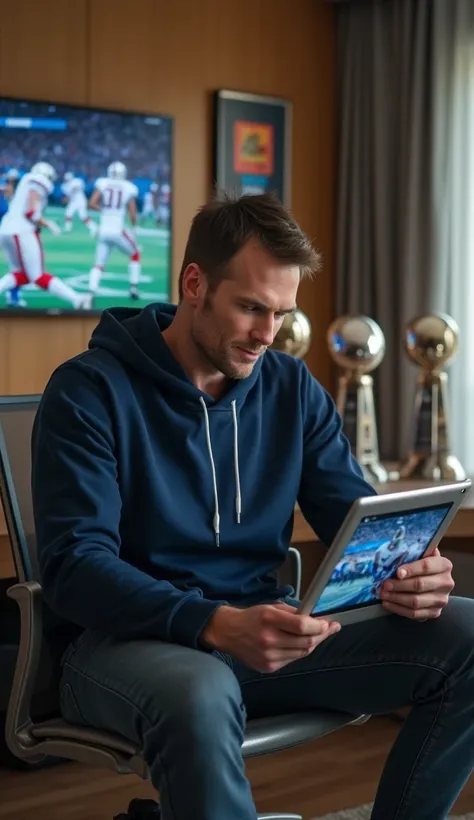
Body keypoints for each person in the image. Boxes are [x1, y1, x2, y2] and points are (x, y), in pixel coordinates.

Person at [32, 192, 473, 820]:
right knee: (200, 689)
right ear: (194, 284)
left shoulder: (291, 389)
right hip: (121, 646)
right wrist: (211, 622)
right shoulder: (88, 391)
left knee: (469, 634)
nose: (269, 335)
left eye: (282, 313)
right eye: (250, 309)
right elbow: (74, 566)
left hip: (263, 636)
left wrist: (411, 572)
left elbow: (359, 525)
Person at [0, 161, 91, 310]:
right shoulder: (38, 181)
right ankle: (77, 300)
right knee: (38, 276)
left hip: (5, 230)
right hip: (22, 230)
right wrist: (48, 224)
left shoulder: (26, 179)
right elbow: (30, 212)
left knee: (21, 274)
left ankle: (76, 299)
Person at [87, 160, 141, 304]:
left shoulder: (103, 183)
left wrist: (104, 210)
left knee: (98, 264)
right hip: (118, 230)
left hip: (103, 230)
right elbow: (132, 212)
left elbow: (92, 203)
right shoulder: (128, 187)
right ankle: (134, 288)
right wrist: (135, 227)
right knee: (135, 254)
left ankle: (91, 293)